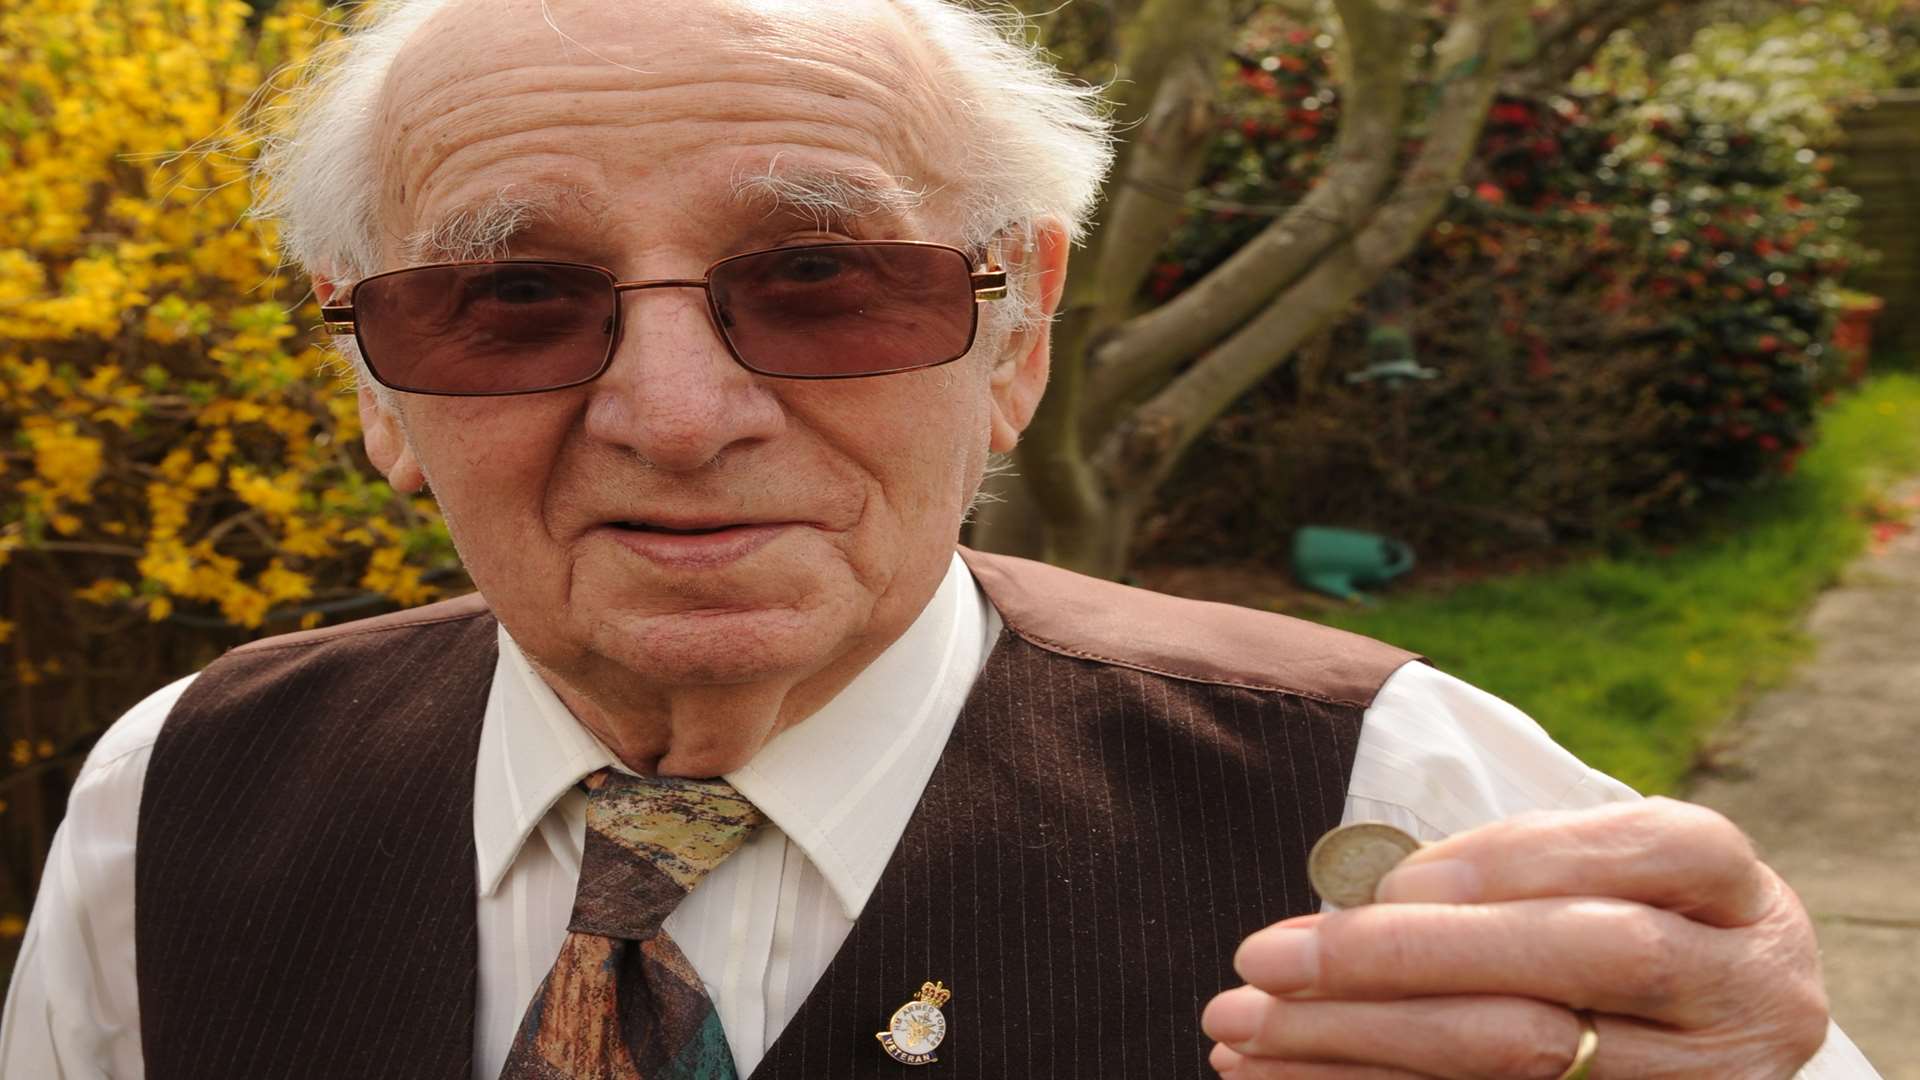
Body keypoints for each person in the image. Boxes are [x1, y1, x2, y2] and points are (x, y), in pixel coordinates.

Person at [0, 0, 1882, 1077]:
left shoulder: (1386, 803)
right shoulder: (179, 797)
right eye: (512, 299)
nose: (676, 411)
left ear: (1018, 330)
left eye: (820, 279)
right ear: (368, 374)